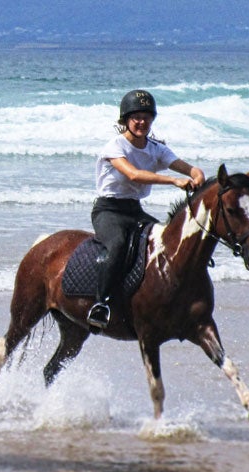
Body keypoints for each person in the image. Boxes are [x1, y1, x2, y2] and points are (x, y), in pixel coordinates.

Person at [87, 89, 205, 327]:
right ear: (125, 120)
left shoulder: (156, 148)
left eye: (147, 117)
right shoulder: (115, 147)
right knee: (117, 245)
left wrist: (196, 173)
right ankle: (102, 304)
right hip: (109, 210)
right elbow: (134, 175)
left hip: (134, 210)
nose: (142, 122)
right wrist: (173, 180)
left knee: (167, 240)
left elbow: (184, 166)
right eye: (136, 117)